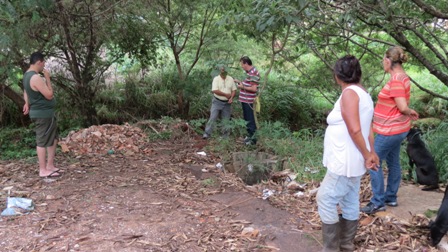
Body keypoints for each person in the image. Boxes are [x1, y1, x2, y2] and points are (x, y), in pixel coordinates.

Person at [316, 55, 379, 251]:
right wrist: (370, 152)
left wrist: (369, 154)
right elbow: (368, 127)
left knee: (325, 198)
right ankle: (346, 244)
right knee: (350, 200)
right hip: (355, 159)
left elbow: (355, 129)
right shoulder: (363, 93)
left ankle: (332, 248)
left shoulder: (349, 94)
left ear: (337, 76)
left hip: (344, 161)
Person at [361, 46, 419, 214]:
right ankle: (391, 197)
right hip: (398, 129)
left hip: (390, 130)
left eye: (383, 61)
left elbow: (401, 106)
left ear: (388, 61)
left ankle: (378, 201)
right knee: (393, 163)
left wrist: (410, 111)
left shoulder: (396, 79)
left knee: (373, 162)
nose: (382, 64)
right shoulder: (403, 77)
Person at [23, 52, 60, 178]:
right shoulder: (35, 77)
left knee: (53, 138)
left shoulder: (26, 75)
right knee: (42, 141)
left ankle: (50, 165)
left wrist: (26, 103)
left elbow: (26, 91)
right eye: (43, 63)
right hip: (43, 114)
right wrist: (48, 78)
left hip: (46, 113)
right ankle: (42, 169)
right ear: (39, 62)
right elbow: (49, 95)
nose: (44, 66)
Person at [202, 66, 236, 139]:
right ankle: (207, 134)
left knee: (226, 119)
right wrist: (225, 94)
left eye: (224, 70)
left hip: (227, 103)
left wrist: (231, 98)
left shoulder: (230, 79)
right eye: (221, 70)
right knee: (213, 117)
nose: (223, 71)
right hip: (217, 101)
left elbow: (234, 90)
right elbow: (214, 90)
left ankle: (225, 136)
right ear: (219, 71)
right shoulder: (216, 79)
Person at [234, 56, 260, 145]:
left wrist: (242, 87)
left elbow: (254, 89)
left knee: (250, 119)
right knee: (246, 119)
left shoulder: (253, 72)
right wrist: (239, 82)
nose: (241, 66)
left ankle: (253, 140)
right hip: (245, 100)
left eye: (242, 64)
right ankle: (249, 136)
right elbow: (248, 84)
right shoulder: (249, 73)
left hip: (249, 101)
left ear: (245, 63)